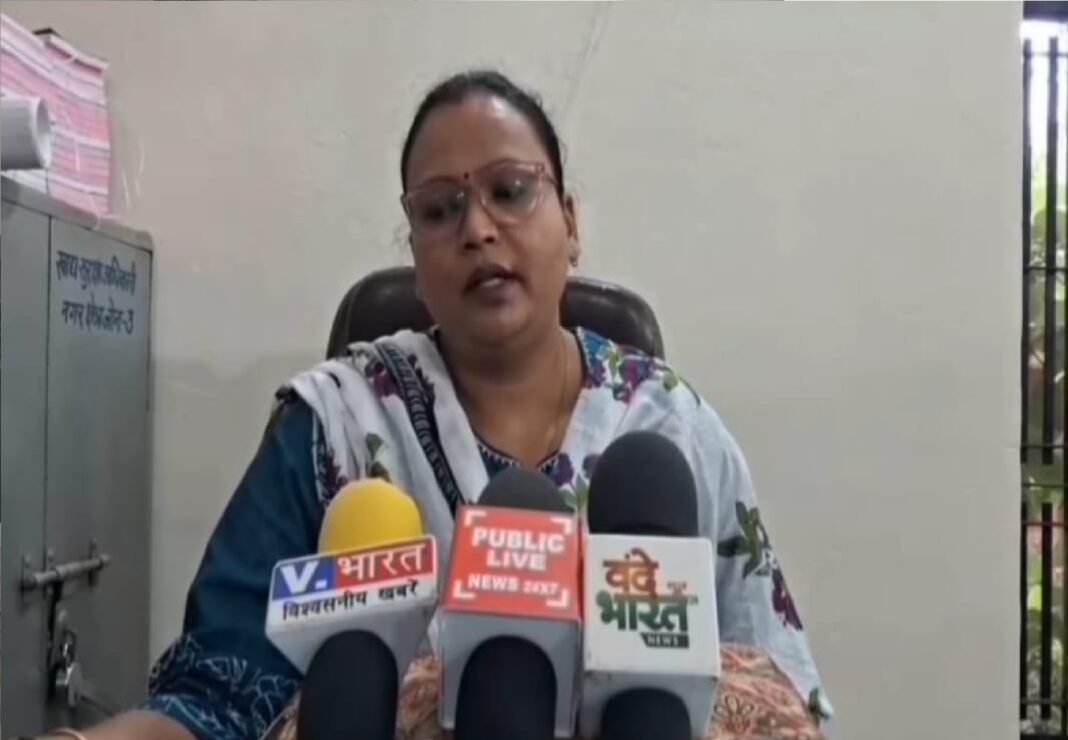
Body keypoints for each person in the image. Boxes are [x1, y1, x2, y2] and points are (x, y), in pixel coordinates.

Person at [37, 69, 832, 740]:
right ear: (416, 259)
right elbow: (216, 699)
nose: (477, 229)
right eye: (440, 210)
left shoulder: (671, 432)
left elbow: (771, 693)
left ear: (571, 223)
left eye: (511, 192)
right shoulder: (339, 425)